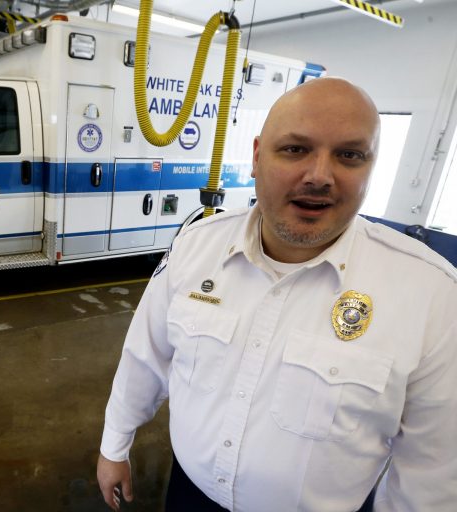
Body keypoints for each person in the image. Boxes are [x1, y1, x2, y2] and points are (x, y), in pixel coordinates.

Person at [96, 77, 457, 512]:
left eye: (349, 155)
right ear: (255, 157)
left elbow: (434, 471)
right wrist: (114, 446)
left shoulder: (431, 294)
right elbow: (145, 357)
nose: (320, 176)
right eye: (295, 149)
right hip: (190, 496)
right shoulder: (197, 246)